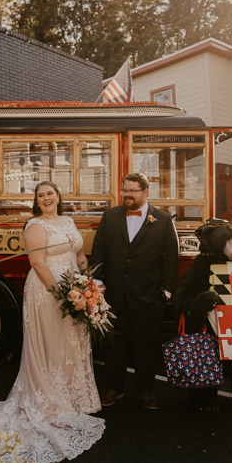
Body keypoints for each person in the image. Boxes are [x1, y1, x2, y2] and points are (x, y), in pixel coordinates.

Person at [0, 181, 104, 463]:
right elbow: (38, 263)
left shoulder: (67, 220)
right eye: (41, 196)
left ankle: (74, 398)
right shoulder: (35, 226)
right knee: (51, 344)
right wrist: (62, 295)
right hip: (46, 291)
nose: (46, 198)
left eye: (50, 193)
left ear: (58, 196)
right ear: (37, 201)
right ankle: (48, 401)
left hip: (73, 289)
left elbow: (79, 256)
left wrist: (88, 286)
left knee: (71, 341)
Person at [90, 172, 179, 410]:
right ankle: (113, 388)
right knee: (113, 345)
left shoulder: (163, 219)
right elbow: (98, 250)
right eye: (124, 190)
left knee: (146, 346)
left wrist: (167, 291)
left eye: (132, 190)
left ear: (145, 192)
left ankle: (145, 390)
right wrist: (97, 284)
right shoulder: (109, 216)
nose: (127, 194)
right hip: (114, 294)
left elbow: (171, 257)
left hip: (149, 296)